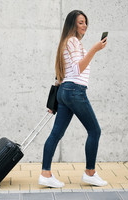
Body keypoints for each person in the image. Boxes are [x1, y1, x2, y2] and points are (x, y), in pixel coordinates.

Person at [38, 10, 108, 188]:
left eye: (85, 22)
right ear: (72, 24)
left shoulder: (65, 42)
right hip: (75, 90)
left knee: (56, 134)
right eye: (80, 22)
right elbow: (78, 70)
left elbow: (62, 74)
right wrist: (94, 49)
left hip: (65, 91)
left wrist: (55, 100)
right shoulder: (73, 41)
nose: (84, 25)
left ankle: (45, 174)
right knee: (95, 131)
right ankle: (90, 173)